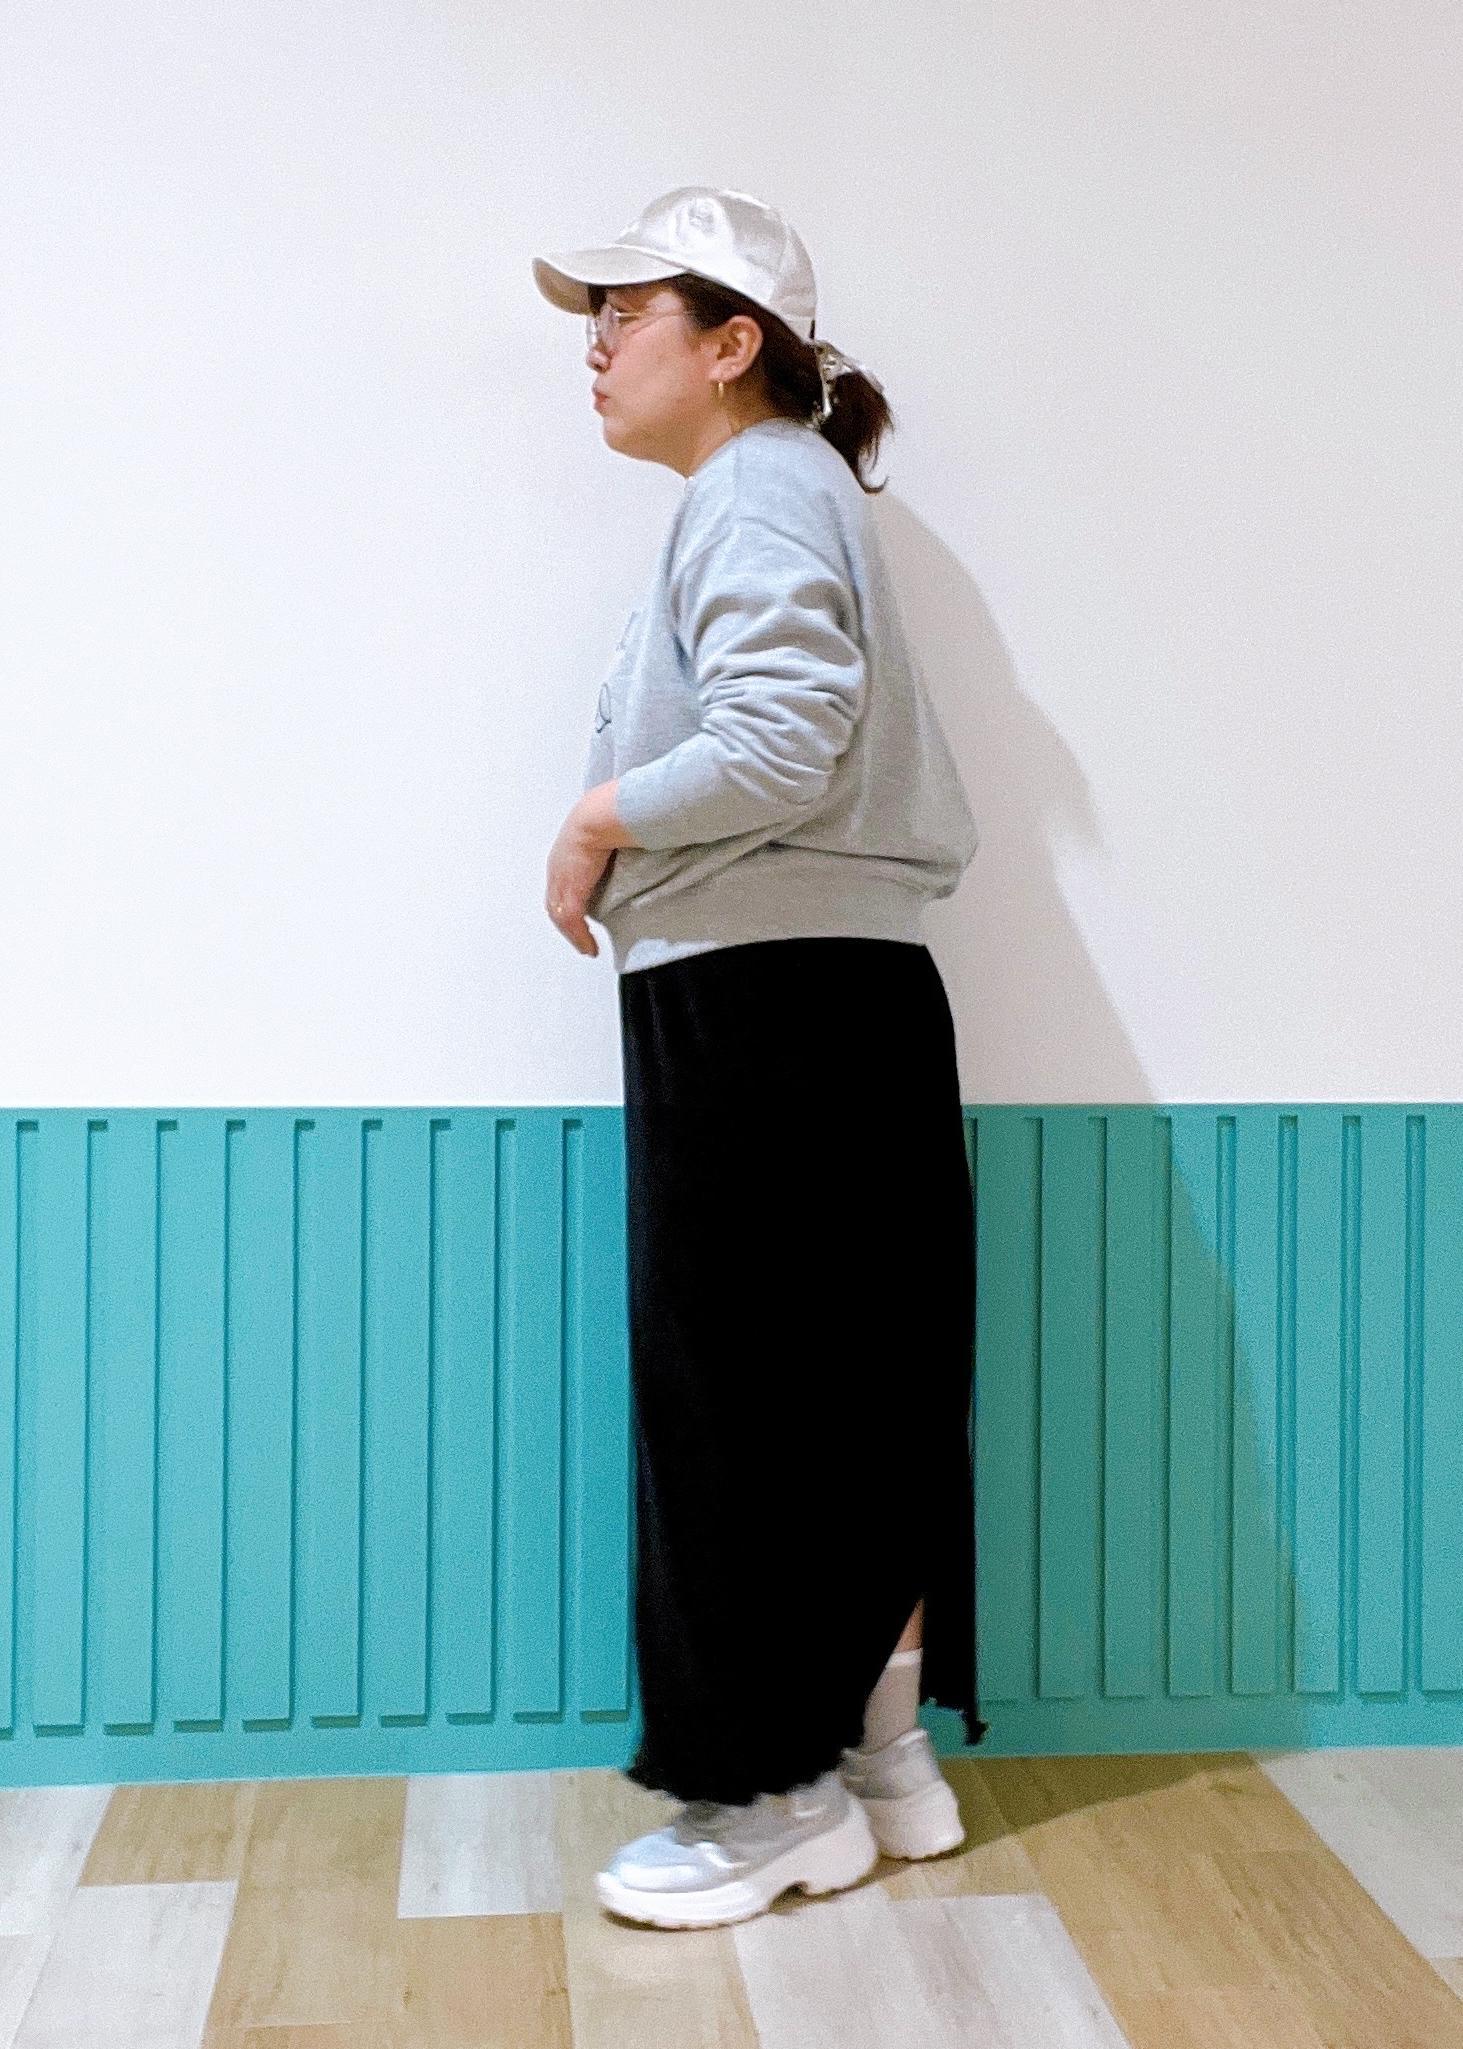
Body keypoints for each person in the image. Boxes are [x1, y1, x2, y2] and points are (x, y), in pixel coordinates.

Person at [532, 186, 988, 1932]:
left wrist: (595, 817)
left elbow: (785, 733)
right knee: (854, 1395)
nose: (593, 348)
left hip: (761, 1002)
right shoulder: (792, 487)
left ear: (735, 344)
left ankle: (767, 1801)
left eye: (623, 313)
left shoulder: (751, 485)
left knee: (738, 1410)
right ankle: (881, 1760)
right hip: (843, 996)